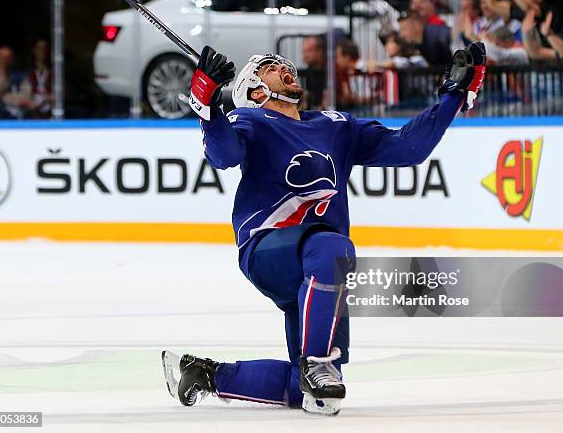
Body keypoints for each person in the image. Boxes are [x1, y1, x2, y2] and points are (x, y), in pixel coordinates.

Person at [178, 42, 486, 415]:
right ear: (256, 91)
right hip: (269, 249)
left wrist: (454, 96)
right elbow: (222, 155)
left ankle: (206, 374)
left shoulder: (337, 126)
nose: (283, 66)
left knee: (314, 392)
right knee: (332, 251)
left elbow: (408, 149)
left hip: (322, 267)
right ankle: (317, 362)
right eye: (270, 66)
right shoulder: (251, 121)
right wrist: (207, 102)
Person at [20, 39, 53, 119]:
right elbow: (22, 92)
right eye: (39, 48)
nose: (42, 51)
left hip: (51, 108)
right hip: (31, 108)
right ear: (34, 50)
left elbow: (61, 93)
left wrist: (44, 100)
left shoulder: (55, 70)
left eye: (44, 48)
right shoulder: (26, 71)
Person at [301, 35, 326, 109]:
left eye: (309, 51)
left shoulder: (331, 72)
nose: (305, 55)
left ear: (320, 51)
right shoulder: (308, 73)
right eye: (303, 51)